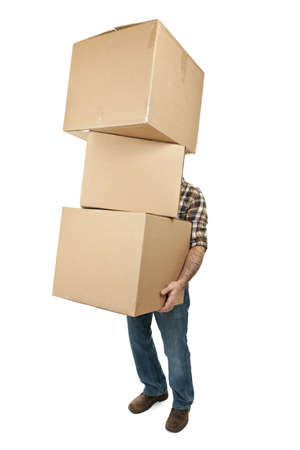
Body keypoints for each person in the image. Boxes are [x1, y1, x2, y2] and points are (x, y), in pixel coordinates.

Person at [126, 176, 208, 433]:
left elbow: (198, 244)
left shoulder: (192, 195)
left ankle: (182, 402)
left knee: (175, 346)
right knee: (138, 338)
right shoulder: (138, 189)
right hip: (135, 281)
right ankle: (154, 388)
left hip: (172, 285)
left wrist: (181, 282)